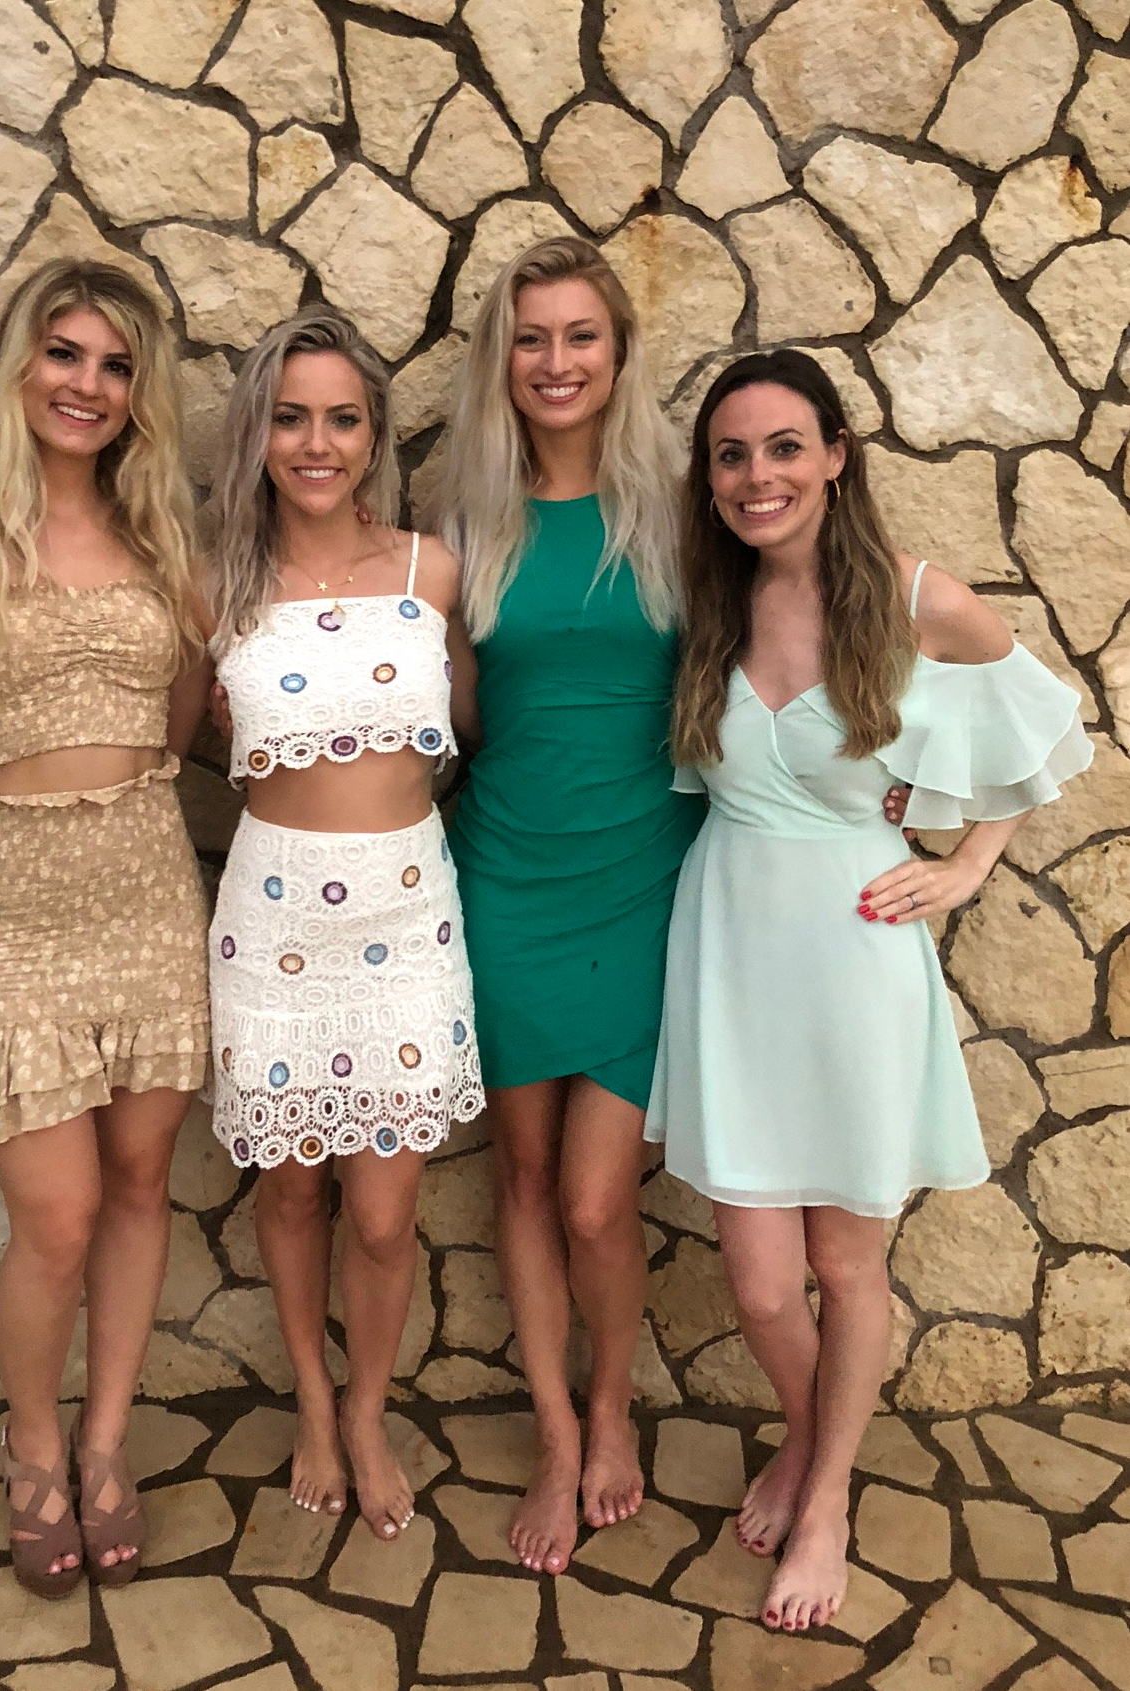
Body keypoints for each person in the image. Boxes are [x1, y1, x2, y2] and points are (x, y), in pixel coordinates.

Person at [646, 349, 1092, 1633]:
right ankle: (809, 1435)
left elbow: (1043, 719)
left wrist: (966, 862)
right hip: (729, 947)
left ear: (836, 455)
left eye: (784, 446)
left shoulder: (911, 598)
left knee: (844, 1264)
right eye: (731, 455)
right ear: (709, 480)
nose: (758, 476)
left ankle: (825, 1492)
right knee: (759, 1283)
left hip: (853, 952)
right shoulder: (712, 602)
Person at [0, 259, 214, 1597]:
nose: (87, 384)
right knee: (54, 1214)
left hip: (146, 888)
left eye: (116, 365)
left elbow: (185, 704)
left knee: (139, 1184)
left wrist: (122, 765)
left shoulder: (160, 535)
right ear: (17, 361)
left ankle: (106, 1441)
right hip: (9, 900)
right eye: (65, 352)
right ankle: (30, 1445)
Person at [435, 236, 703, 1574]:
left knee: (597, 1200)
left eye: (578, 334)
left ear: (616, 351)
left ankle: (612, 1406)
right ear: (503, 358)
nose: (554, 361)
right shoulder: (464, 524)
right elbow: (459, 716)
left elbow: (772, 656)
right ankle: (556, 1429)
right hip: (504, 877)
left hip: (645, 878)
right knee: (524, 1174)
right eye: (529, 337)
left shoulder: (679, 513)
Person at [206, 304, 484, 1539]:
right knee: (289, 1194)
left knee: (380, 1213)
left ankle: (369, 1407)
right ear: (257, 432)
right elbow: (158, 738)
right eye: (289, 418)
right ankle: (314, 1408)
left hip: (406, 916)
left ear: (374, 435)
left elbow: (483, 728)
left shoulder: (432, 571)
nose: (315, 443)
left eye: (341, 419)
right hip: (271, 922)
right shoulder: (216, 584)